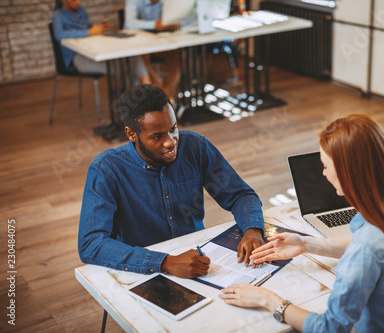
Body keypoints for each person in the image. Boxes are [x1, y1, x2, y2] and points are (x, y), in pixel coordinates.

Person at [219, 114, 384, 332]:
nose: (323, 173)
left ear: (348, 173)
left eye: (325, 165)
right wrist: (306, 244)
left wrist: (269, 300)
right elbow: (372, 249)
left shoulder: (367, 247)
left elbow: (330, 328)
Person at [78, 84, 265, 278]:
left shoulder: (194, 146)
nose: (170, 142)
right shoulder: (106, 169)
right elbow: (90, 243)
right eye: (157, 136)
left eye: (173, 129)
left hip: (197, 261)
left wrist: (253, 229)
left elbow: (240, 194)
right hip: (141, 271)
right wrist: (165, 262)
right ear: (131, 134)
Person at [52, 0, 151, 84]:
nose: (78, 1)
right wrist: (88, 32)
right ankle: (141, 96)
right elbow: (59, 35)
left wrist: (97, 29)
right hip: (77, 58)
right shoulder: (58, 15)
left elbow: (88, 29)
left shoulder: (81, 11)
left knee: (133, 58)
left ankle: (144, 92)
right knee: (126, 65)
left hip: (92, 51)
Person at [123, 0, 194, 104]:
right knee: (142, 54)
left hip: (164, 43)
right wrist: (155, 25)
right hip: (143, 46)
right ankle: (166, 95)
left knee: (181, 52)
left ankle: (166, 92)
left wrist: (179, 23)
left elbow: (189, 18)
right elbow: (128, 24)